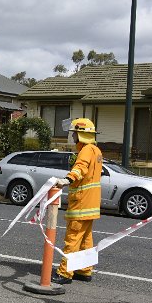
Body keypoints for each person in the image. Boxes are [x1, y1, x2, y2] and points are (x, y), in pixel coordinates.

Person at [52, 118, 103, 284]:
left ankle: (65, 273)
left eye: (74, 133)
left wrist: (67, 179)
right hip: (91, 204)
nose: (72, 136)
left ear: (81, 134)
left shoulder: (86, 151)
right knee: (86, 239)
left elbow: (80, 168)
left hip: (81, 204)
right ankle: (84, 270)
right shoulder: (96, 150)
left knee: (72, 238)